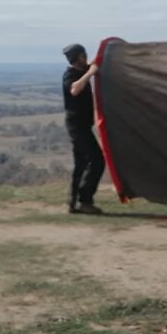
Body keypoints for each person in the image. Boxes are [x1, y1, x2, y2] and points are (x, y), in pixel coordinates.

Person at [62, 43, 105, 215]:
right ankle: (85, 200)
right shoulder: (71, 74)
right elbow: (74, 90)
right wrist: (89, 74)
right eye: (83, 54)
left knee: (81, 164)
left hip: (81, 125)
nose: (86, 57)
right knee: (97, 161)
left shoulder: (82, 70)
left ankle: (72, 203)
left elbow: (96, 64)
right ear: (79, 57)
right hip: (77, 126)